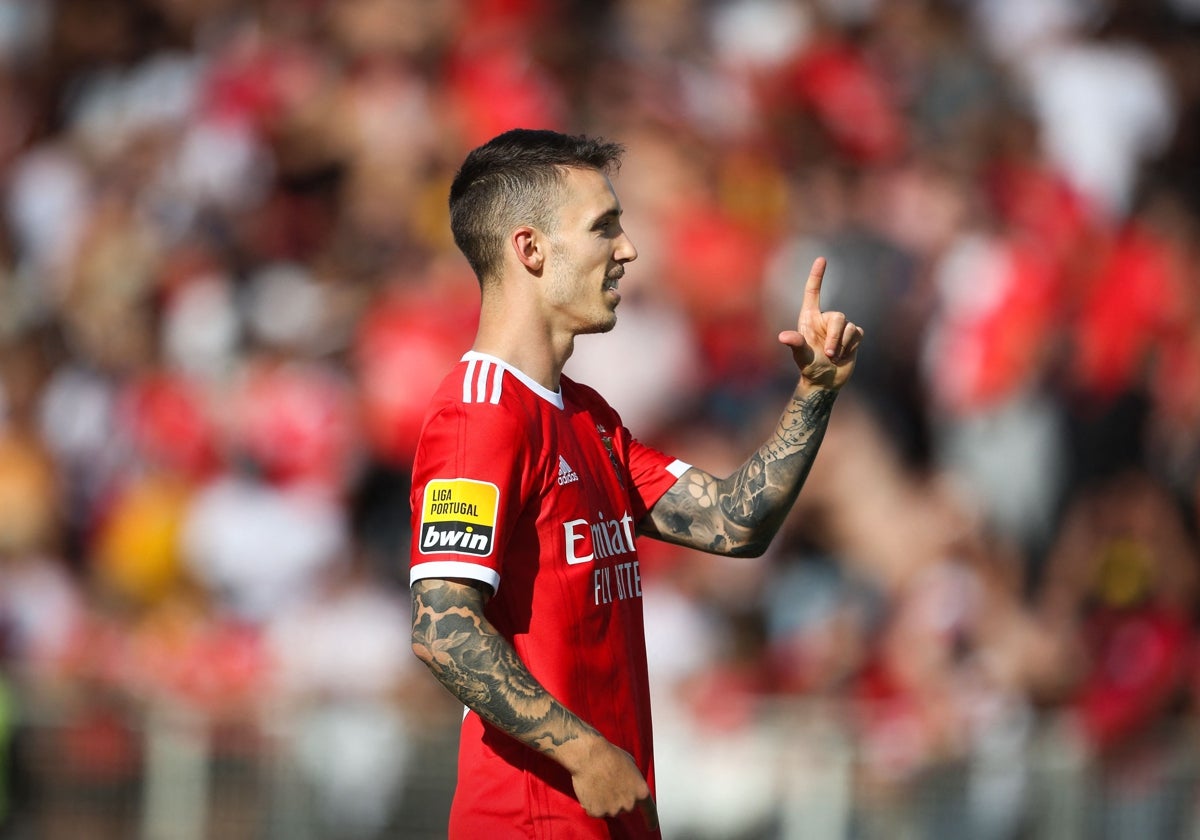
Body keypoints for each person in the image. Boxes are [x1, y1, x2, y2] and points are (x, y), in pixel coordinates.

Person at [408, 128, 862, 839]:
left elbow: (734, 523)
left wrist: (815, 392)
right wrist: (584, 752)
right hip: (532, 823)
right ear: (530, 249)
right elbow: (442, 626)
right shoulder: (479, 414)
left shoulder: (586, 417)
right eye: (604, 228)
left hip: (610, 818)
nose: (628, 250)